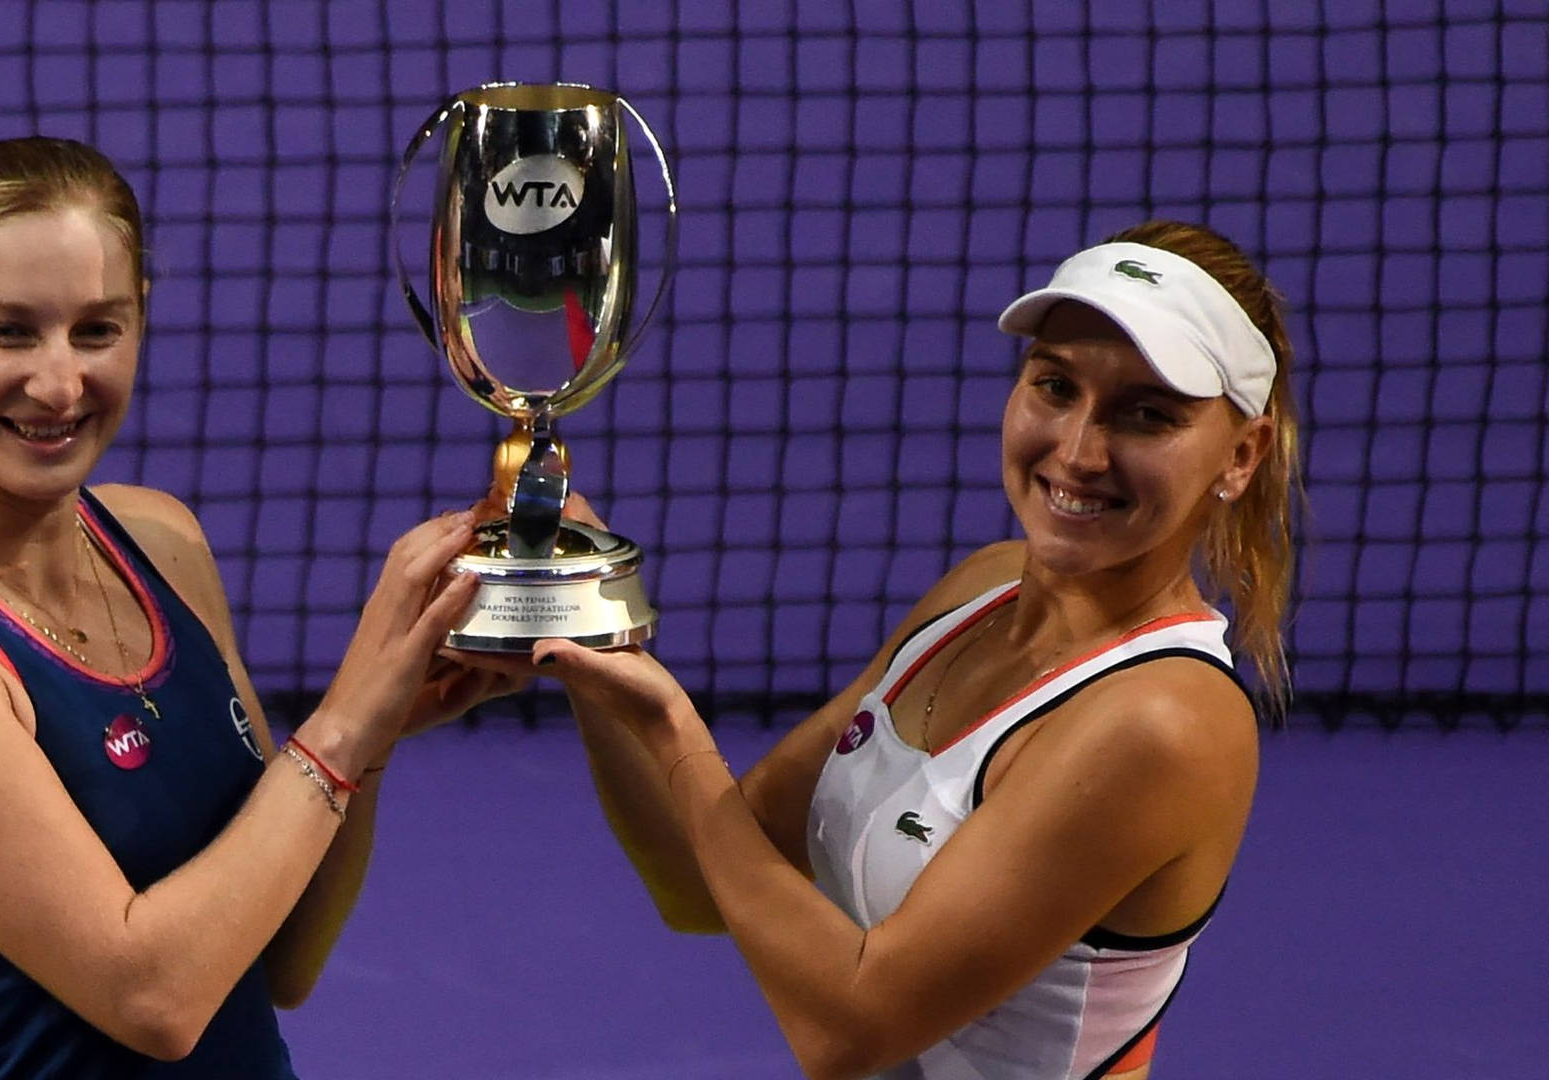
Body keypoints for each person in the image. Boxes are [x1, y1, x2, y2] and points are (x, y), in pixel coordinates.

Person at [0, 136, 517, 1079]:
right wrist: (341, 724)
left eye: (97, 330)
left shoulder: (161, 541)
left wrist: (377, 728)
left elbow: (280, 955)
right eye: (9, 331)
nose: (59, 384)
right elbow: (156, 997)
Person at [521, 220, 1299, 1079]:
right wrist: (588, 635)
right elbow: (704, 880)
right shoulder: (981, 592)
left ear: (1240, 454)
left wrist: (675, 729)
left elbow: (852, 1029)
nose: (1078, 452)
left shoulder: (1165, 721)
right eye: (1054, 386)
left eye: (1146, 415)